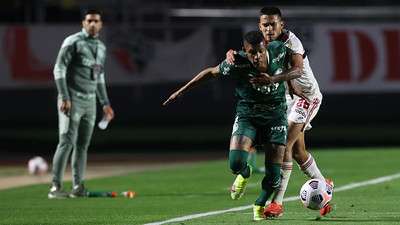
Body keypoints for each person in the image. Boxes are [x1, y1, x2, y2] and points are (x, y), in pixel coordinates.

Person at [163, 30, 301, 221]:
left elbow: (296, 68)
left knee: (274, 174)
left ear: (266, 47)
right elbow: (211, 72)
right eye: (251, 52)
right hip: (248, 115)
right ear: (245, 50)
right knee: (235, 163)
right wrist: (181, 91)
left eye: (260, 51)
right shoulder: (238, 62)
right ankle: (245, 172)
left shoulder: (279, 50)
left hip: (275, 117)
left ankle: (259, 205)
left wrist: (284, 82)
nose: (257, 56)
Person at [226, 6, 333, 218]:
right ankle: (323, 186)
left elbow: (298, 70)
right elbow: (245, 55)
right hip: (285, 101)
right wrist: (231, 54)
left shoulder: (291, 42)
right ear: (259, 26)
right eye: (265, 24)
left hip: (305, 97)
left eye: (273, 24)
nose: (268, 28)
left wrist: (274, 79)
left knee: (284, 147)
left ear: (281, 24)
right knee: (298, 153)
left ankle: (277, 202)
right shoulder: (259, 45)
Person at [48, 9, 114, 199]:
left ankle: (78, 187)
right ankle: (55, 187)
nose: (93, 24)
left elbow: (99, 76)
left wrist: (105, 103)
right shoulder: (73, 41)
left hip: (90, 101)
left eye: (96, 21)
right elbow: (59, 68)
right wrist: (64, 96)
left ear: (101, 24)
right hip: (72, 98)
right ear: (83, 23)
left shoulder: (101, 47)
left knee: (82, 145)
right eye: (89, 21)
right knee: (66, 141)